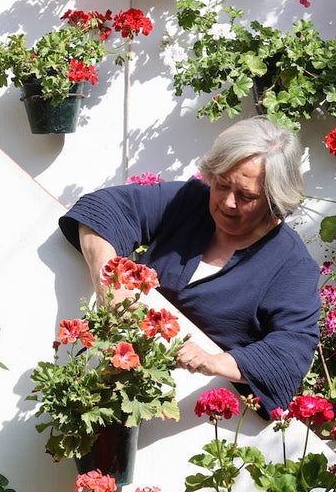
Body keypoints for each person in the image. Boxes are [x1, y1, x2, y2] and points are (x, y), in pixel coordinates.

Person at [58, 116, 320, 415]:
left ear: (274, 198)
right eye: (222, 185)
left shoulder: (292, 265)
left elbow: (292, 351)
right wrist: (110, 283)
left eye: (247, 197)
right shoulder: (189, 202)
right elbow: (101, 209)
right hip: (105, 379)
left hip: (187, 414)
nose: (228, 203)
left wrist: (214, 361)